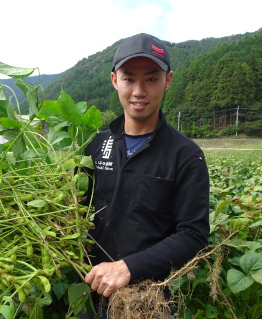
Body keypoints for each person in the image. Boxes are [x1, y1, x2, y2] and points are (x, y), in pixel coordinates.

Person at [79, 33, 210, 318]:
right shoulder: (95, 146)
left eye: (151, 79)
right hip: (85, 295)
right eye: (129, 79)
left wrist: (127, 268)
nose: (139, 91)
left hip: (145, 301)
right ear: (115, 80)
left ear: (168, 80)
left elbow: (193, 234)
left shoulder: (186, 155)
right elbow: (73, 207)